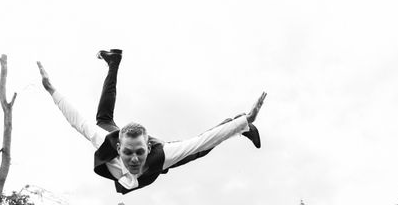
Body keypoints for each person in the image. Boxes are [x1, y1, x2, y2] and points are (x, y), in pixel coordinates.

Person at [36, 55, 266, 194]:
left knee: (198, 151)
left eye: (139, 153)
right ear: (118, 149)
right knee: (102, 121)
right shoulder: (104, 142)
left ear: (147, 148)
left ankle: (243, 128)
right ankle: (113, 62)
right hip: (121, 142)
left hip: (160, 155)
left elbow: (202, 141)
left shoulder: (162, 154)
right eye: (127, 153)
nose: (134, 159)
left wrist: (243, 121)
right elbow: (77, 120)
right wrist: (52, 90)